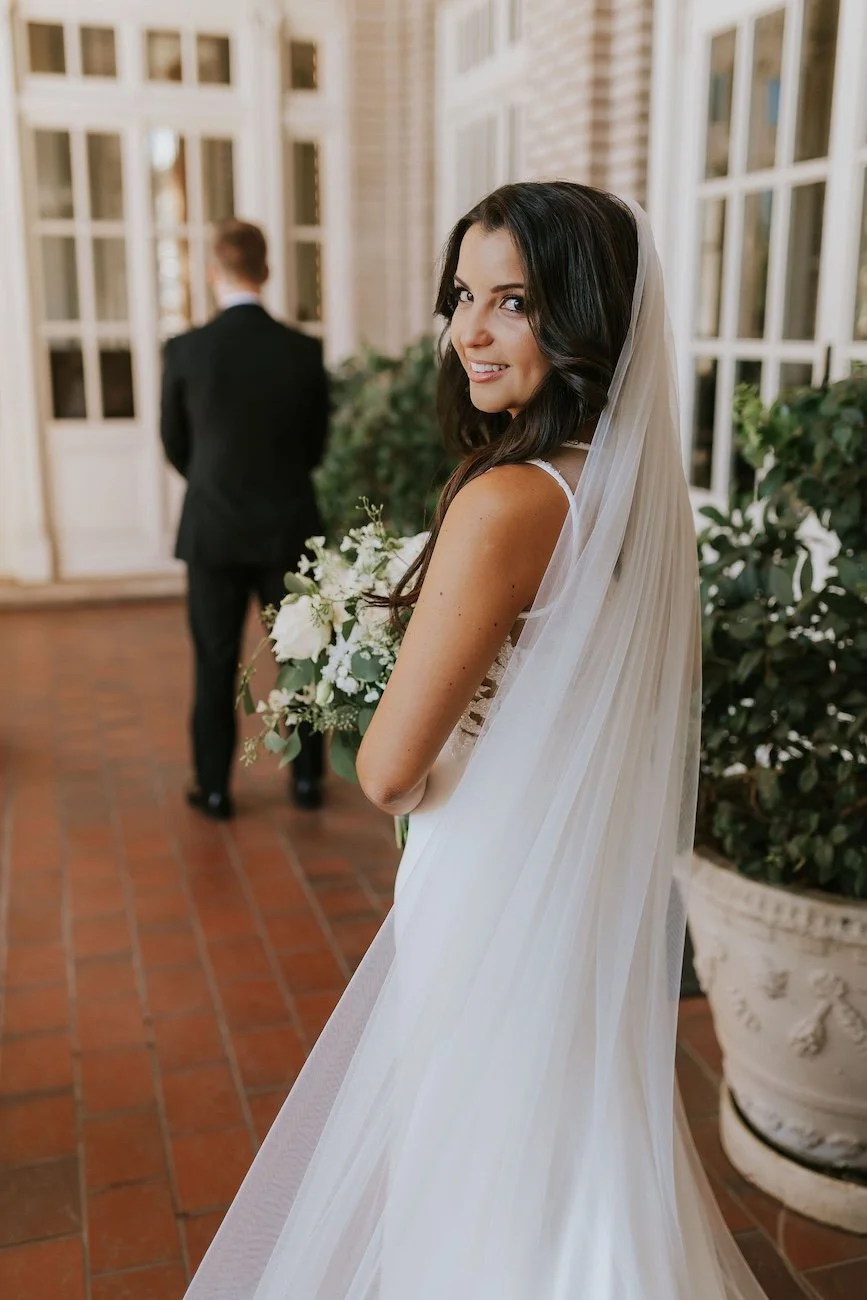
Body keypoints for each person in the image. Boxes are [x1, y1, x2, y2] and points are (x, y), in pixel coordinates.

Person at [182, 185, 769, 1299]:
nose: (469, 333)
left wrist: (376, 681)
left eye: (515, 301)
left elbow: (391, 772)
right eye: (463, 296)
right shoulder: (636, 489)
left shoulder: (506, 504)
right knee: (569, 1132)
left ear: (586, 317)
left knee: (479, 1137)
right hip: (580, 872)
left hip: (492, 870)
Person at [161, 219, 328, 818]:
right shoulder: (303, 351)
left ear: (215, 272)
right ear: (266, 270)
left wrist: (214, 482)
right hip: (287, 525)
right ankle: (306, 782)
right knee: (301, 656)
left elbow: (175, 444)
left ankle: (213, 789)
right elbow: (315, 447)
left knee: (213, 659)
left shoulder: (185, 350)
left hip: (211, 530)